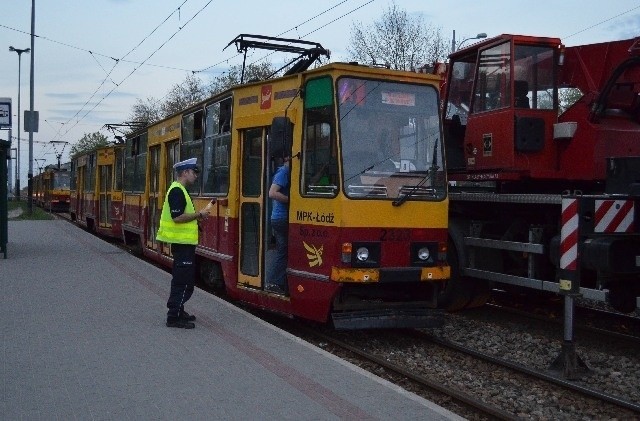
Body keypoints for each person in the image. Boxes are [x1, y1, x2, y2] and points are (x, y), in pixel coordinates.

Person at [156, 158, 210, 329]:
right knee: (182, 281)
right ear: (185, 172)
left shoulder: (181, 190)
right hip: (182, 244)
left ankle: (179, 310)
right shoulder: (177, 191)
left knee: (186, 280)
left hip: (185, 243)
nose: (195, 176)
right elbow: (177, 217)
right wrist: (199, 215)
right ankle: (173, 317)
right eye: (194, 172)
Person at [266, 155, 290, 294]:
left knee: (283, 250)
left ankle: (276, 281)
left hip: (280, 218)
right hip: (281, 218)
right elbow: (272, 193)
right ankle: (274, 281)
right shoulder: (284, 171)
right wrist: (292, 200)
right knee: (285, 251)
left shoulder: (287, 171)